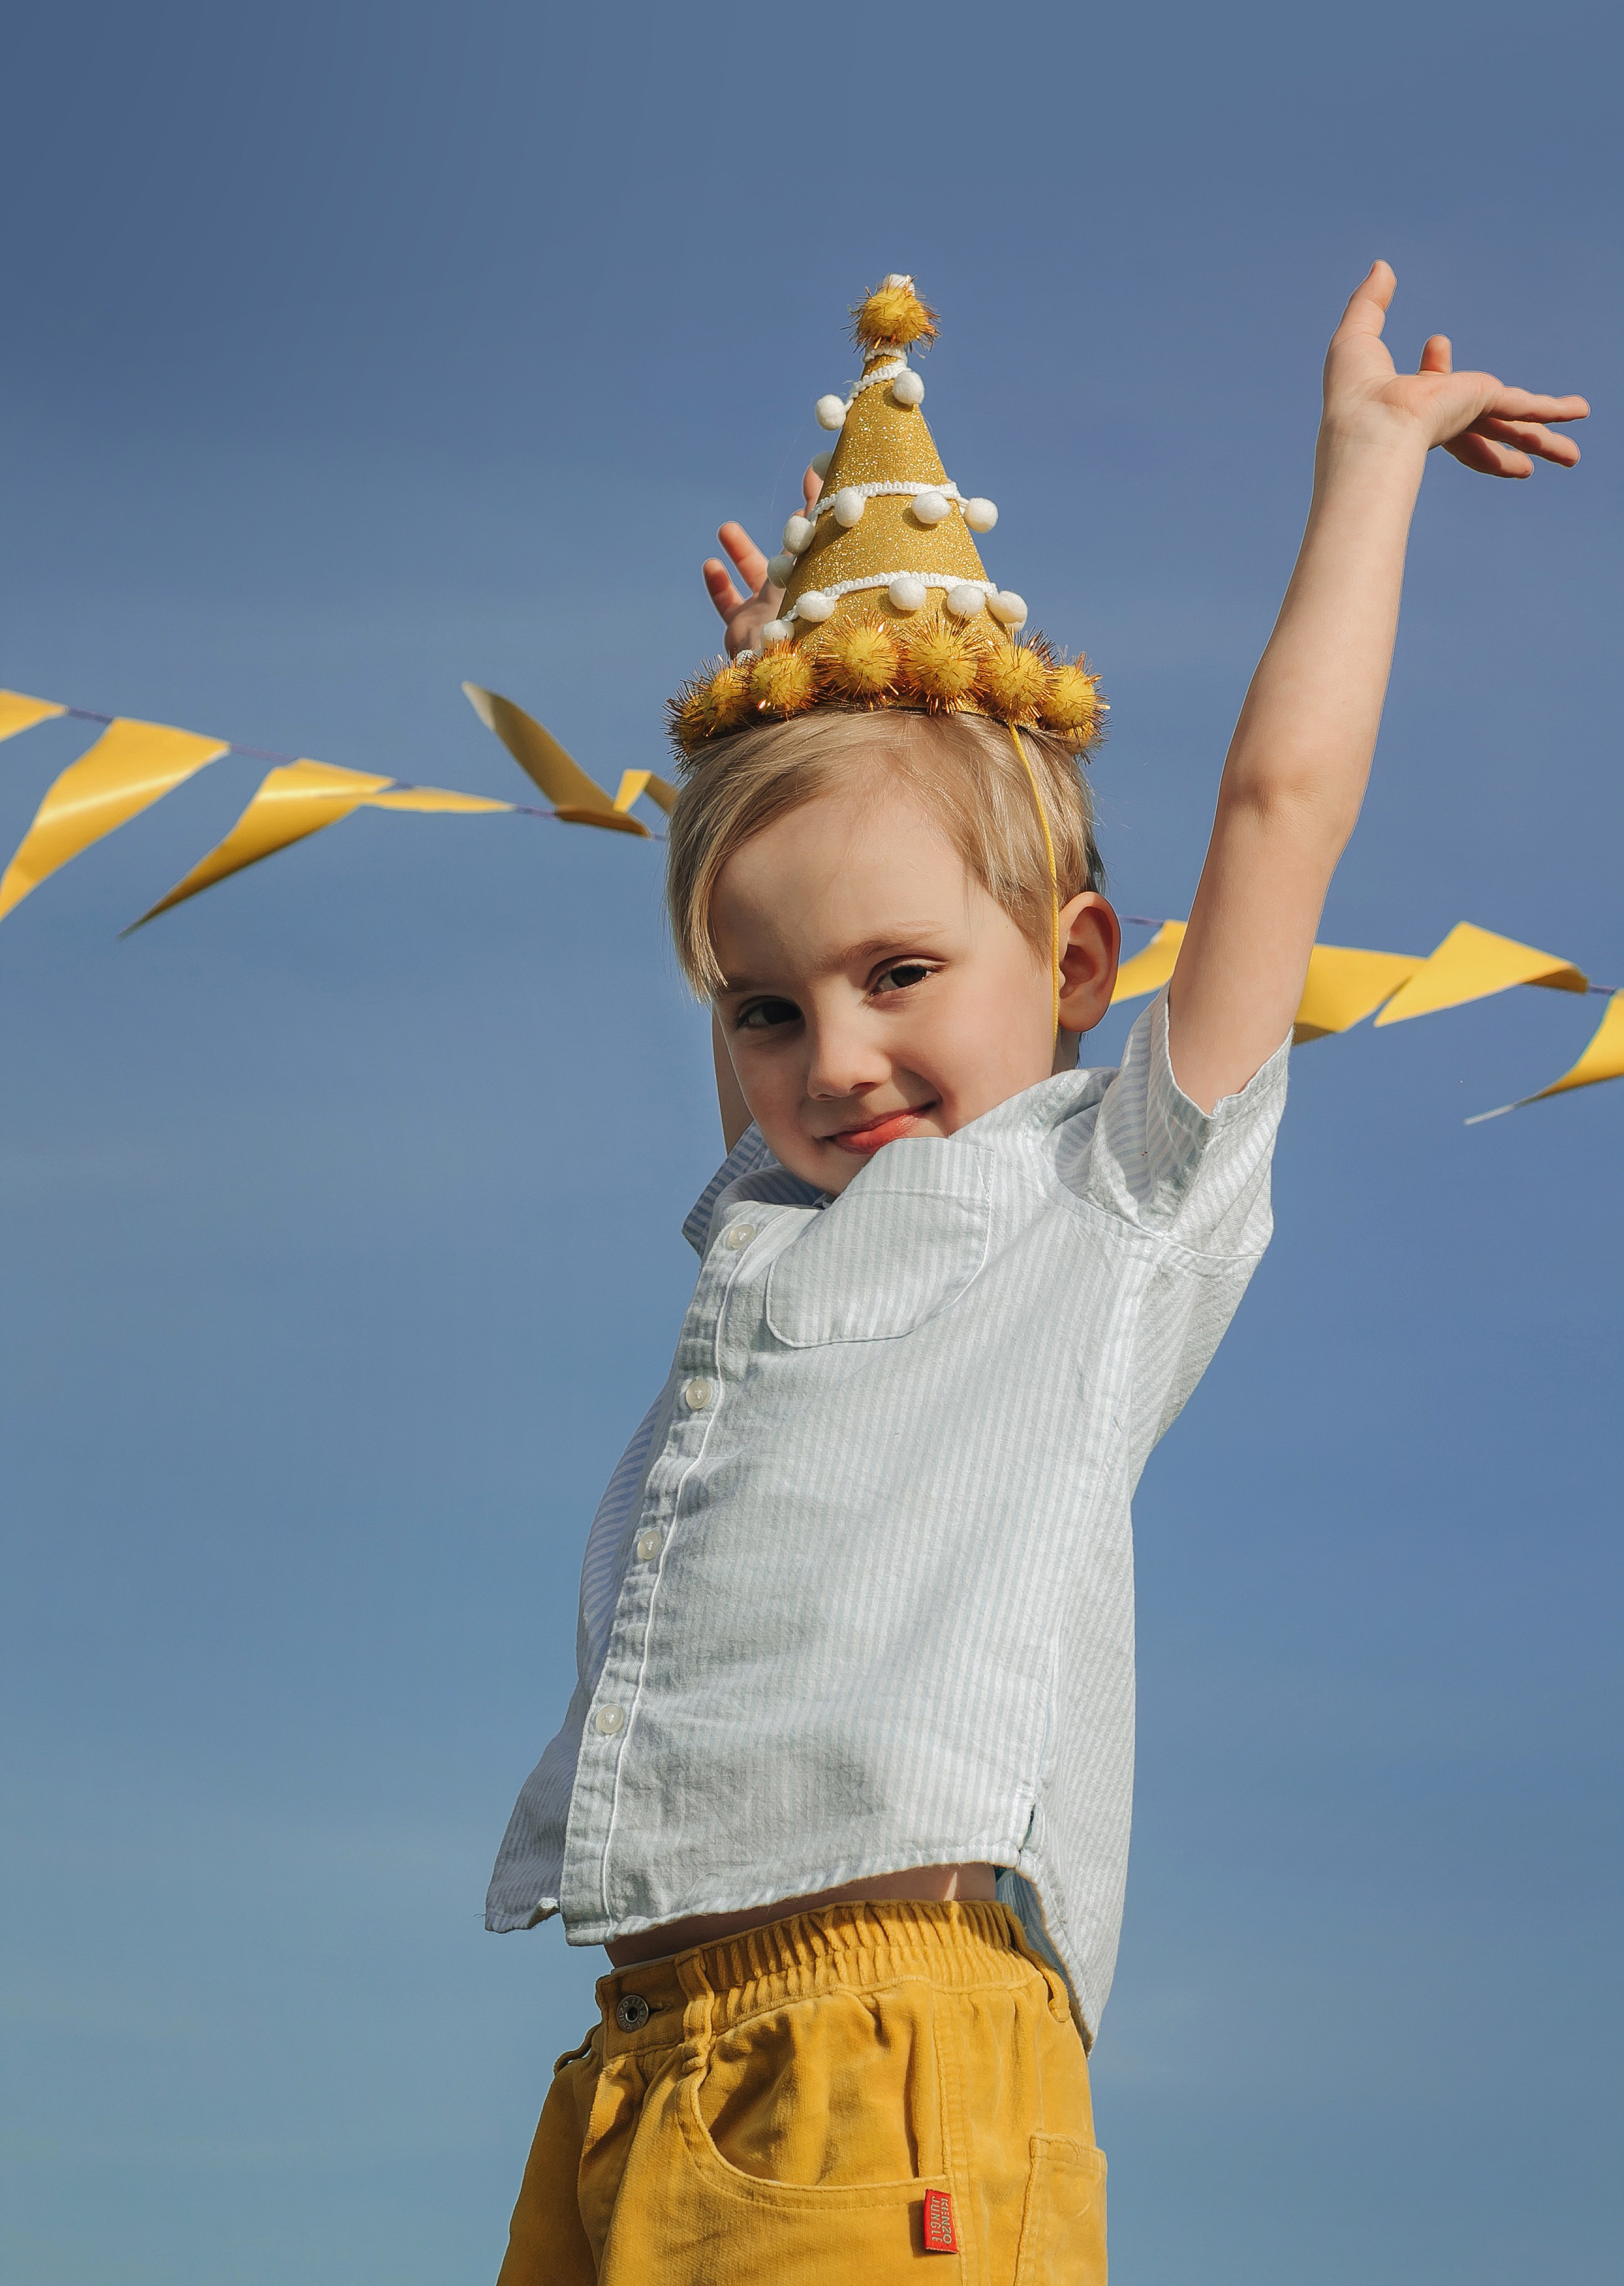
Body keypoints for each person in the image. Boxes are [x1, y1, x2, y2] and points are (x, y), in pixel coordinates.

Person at [487, 268, 1585, 2283]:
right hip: (635, 2068)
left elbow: (1279, 811)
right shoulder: (779, 1223)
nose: (833, 1058)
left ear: (1078, 971)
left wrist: (1369, 471)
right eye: (762, 1008)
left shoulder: (1102, 1196)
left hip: (887, 2042)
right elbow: (801, 982)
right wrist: (793, 707)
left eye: (901, 975)